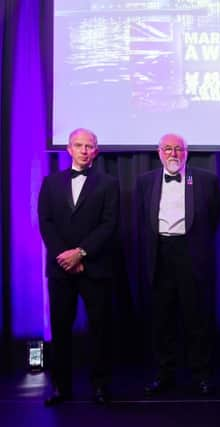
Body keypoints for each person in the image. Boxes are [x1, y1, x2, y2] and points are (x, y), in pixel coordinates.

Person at [38, 128, 119, 406]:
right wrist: (65, 256)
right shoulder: (51, 183)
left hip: (94, 267)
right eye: (79, 145)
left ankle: (100, 386)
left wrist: (81, 253)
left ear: (95, 151)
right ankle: (61, 387)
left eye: (89, 146)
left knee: (101, 329)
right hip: (61, 268)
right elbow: (45, 222)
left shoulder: (109, 184)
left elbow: (109, 224)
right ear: (69, 149)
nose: (84, 150)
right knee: (60, 329)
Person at [137, 134, 220, 395]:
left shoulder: (207, 180)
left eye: (179, 149)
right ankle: (164, 374)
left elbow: (214, 217)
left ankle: (202, 375)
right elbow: (140, 218)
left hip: (191, 252)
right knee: (161, 319)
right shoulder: (144, 181)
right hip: (160, 253)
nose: (173, 153)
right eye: (168, 149)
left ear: (187, 152)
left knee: (197, 318)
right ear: (159, 152)